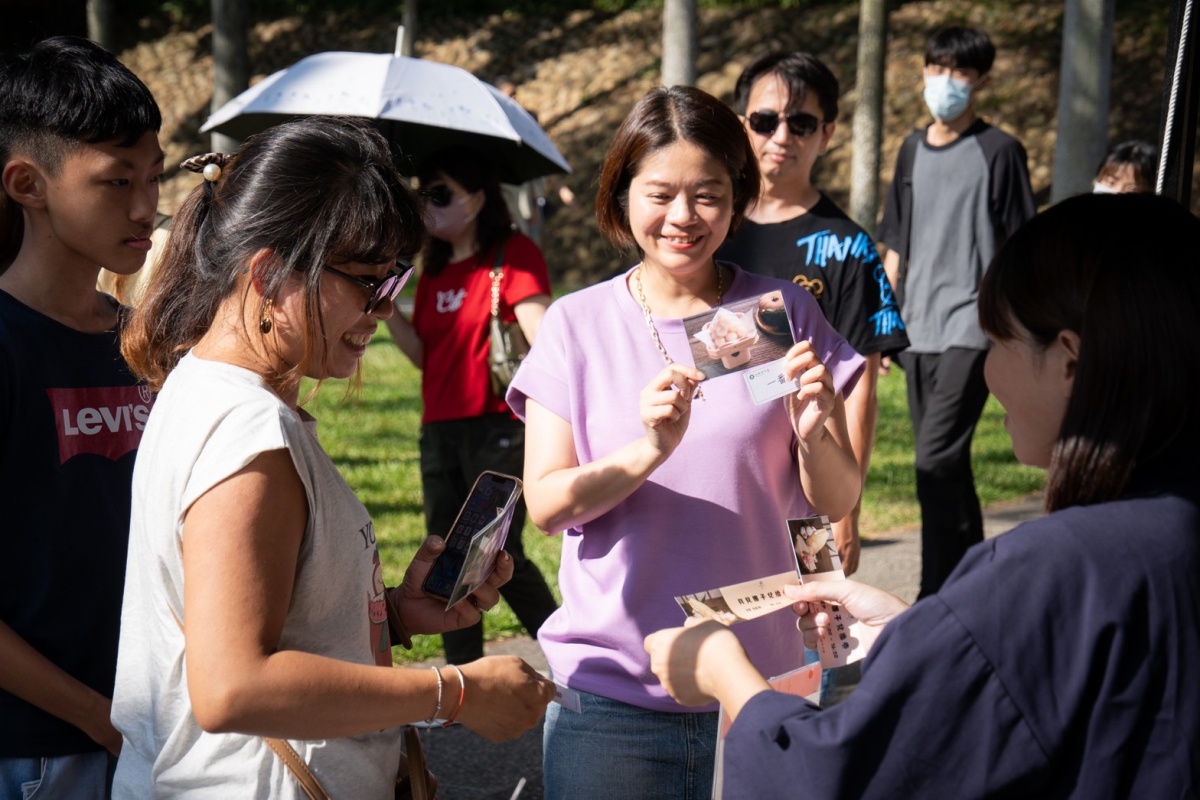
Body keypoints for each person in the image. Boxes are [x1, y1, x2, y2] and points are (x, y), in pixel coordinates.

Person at [645, 192, 1200, 798]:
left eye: (999, 342)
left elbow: (836, 776)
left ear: (1068, 361)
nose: (987, 374)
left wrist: (724, 672)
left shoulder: (1049, 574)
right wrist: (915, 631)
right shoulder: (1168, 532)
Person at [110, 117, 555, 797]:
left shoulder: (215, 392)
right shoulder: (246, 431)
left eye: (395, 283)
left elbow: (264, 620)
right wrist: (454, 692)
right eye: (370, 283)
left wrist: (395, 613)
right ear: (269, 275)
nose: (384, 309)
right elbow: (233, 687)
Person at [508, 85, 864, 799]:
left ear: (736, 200)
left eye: (707, 196)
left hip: (762, 689)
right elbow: (546, 506)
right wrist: (647, 450)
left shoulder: (776, 313)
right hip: (616, 696)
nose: (683, 217)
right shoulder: (576, 325)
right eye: (660, 194)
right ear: (621, 197)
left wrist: (813, 434)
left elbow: (833, 498)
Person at [0, 36, 162, 800]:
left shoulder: (149, 346)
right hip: (37, 753)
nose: (145, 207)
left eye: (154, 177)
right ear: (27, 184)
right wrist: (97, 718)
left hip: (159, 732)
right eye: (117, 180)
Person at [718, 51, 909, 576]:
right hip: (714, 480)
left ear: (826, 134)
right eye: (765, 120)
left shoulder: (849, 248)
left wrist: (847, 510)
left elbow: (859, 388)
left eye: (801, 123)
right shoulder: (705, 230)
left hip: (809, 478)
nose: (782, 136)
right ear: (742, 124)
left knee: (810, 619)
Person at [875, 26, 1036, 598]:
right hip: (916, 328)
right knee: (946, 466)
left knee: (933, 458)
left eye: (960, 72)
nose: (946, 82)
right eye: (937, 68)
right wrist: (884, 324)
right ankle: (974, 585)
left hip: (974, 325)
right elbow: (896, 241)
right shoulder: (911, 148)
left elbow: (1021, 248)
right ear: (923, 71)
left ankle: (932, 592)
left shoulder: (1001, 151)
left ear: (981, 81)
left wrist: (1017, 332)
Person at [384, 145, 559, 667]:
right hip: (440, 431)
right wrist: (389, 311)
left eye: (441, 195)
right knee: (444, 556)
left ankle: (570, 655)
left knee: (501, 553)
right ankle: (464, 677)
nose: (428, 206)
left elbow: (548, 345)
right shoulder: (434, 269)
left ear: (478, 199)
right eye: (424, 195)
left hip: (499, 428)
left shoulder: (513, 254)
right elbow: (425, 357)